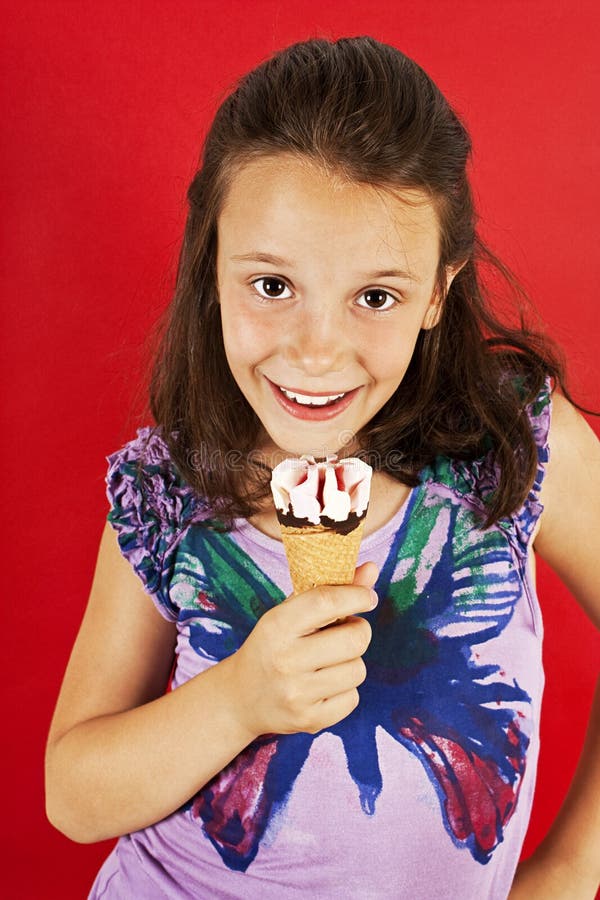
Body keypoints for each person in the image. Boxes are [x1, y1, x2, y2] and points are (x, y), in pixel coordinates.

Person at [45, 36, 600, 899]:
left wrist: (570, 870)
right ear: (213, 267)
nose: (315, 352)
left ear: (437, 292)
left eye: (374, 297)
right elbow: (74, 798)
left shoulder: (511, 445)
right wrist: (239, 699)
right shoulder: (171, 491)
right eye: (272, 286)